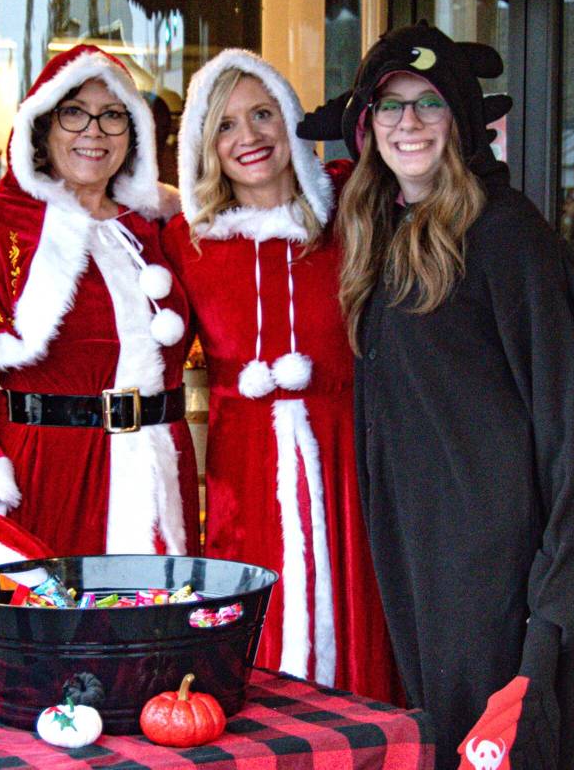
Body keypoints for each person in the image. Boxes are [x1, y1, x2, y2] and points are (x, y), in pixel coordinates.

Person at [299, 22, 574, 769]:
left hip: (496, 561)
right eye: (390, 106)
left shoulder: (507, 236)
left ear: (464, 120)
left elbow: (570, 427)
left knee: (506, 744)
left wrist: (554, 605)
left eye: (431, 104)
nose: (408, 124)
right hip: (417, 547)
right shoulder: (383, 231)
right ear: (366, 125)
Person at [162, 49, 399, 703]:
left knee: (354, 609)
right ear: (205, 146)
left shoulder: (352, 213)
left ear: (290, 120)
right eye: (227, 125)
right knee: (254, 627)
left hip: (347, 461)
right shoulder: (185, 240)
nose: (250, 137)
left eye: (263, 114)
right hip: (246, 470)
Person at [0, 45, 199, 558]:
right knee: (61, 630)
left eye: (113, 116)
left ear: (136, 134)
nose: (94, 132)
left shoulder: (156, 226)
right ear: (43, 126)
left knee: (154, 630)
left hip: (159, 475)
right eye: (74, 113)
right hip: (49, 476)